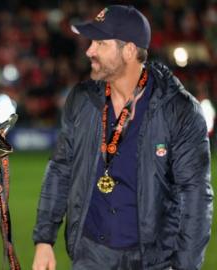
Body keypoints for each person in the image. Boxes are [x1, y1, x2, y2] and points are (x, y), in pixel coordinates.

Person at [32, 5, 213, 270]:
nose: (89, 50)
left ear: (128, 50)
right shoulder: (82, 99)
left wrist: (185, 266)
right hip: (90, 255)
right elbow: (61, 168)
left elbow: (195, 195)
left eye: (100, 43)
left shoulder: (179, 110)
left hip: (153, 260)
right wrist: (44, 240)